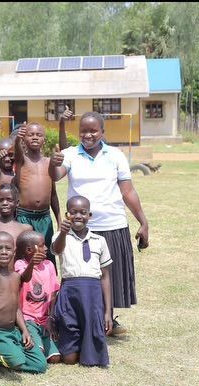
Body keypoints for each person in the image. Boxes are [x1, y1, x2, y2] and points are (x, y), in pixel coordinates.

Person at [50, 111, 149, 334]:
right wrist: (53, 163)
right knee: (81, 274)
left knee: (109, 275)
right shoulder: (71, 154)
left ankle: (108, 321)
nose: (88, 135)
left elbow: (128, 191)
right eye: (84, 131)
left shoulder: (115, 155)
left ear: (102, 132)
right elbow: (56, 176)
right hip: (80, 228)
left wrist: (143, 222)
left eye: (93, 130)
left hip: (112, 224)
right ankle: (80, 319)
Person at [51, 196, 113, 367]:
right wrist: (63, 232)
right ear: (67, 214)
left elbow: (106, 276)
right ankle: (68, 348)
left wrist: (108, 311)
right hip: (70, 290)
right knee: (69, 359)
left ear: (89, 215)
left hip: (92, 292)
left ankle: (90, 353)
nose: (78, 216)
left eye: (82, 212)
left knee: (92, 331)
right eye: (73, 212)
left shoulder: (99, 241)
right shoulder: (59, 236)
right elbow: (56, 250)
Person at [0, 232, 47, 373]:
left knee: (40, 365)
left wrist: (24, 330)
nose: (3, 252)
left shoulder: (16, 277)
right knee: (15, 360)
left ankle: (8, 354)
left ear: (14, 251)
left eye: (8, 248)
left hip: (13, 331)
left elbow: (16, 308)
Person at [13, 123, 61, 267]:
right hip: (24, 216)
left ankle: (48, 285)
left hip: (44, 218)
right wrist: (17, 140)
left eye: (39, 135)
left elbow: (53, 194)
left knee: (46, 254)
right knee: (24, 256)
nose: (35, 137)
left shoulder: (48, 162)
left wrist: (58, 219)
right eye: (30, 134)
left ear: (44, 140)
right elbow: (17, 152)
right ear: (24, 139)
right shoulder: (21, 161)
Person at [14, 231, 61, 364]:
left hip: (45, 320)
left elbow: (53, 294)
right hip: (28, 319)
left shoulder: (49, 265)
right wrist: (32, 264)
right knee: (38, 354)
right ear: (30, 250)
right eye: (41, 245)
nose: (46, 248)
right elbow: (23, 277)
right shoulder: (20, 264)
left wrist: (51, 319)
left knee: (55, 358)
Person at [0, 183, 32, 249]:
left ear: (17, 203)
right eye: (1, 200)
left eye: (9, 200)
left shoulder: (25, 228)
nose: (5, 203)